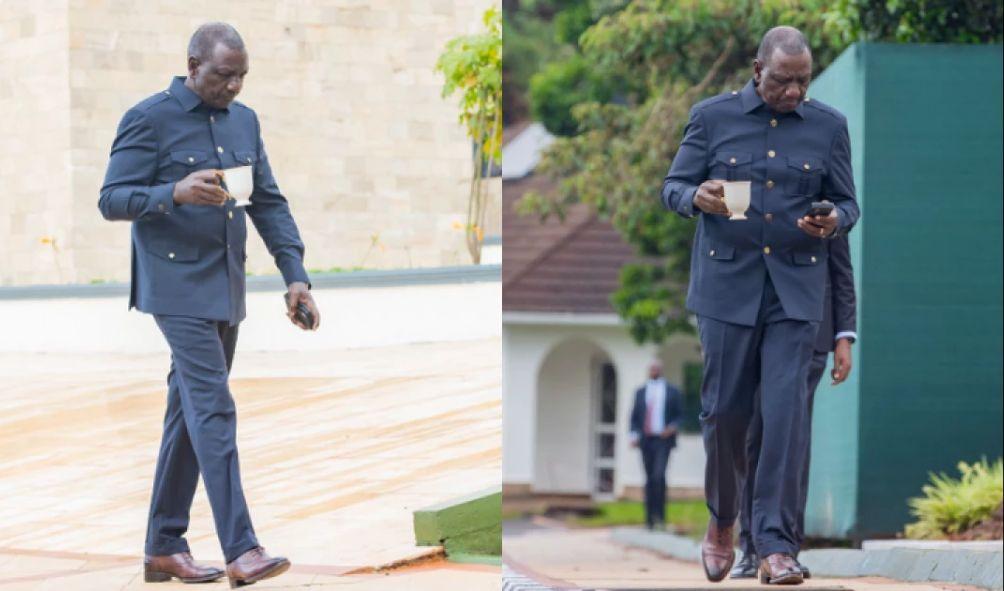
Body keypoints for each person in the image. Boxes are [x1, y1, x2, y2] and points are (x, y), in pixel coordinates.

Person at [98, 22, 320, 587]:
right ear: (193, 64)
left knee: (188, 414)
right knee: (214, 407)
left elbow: (266, 202)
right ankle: (242, 550)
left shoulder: (244, 121)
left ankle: (162, 546)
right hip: (174, 287)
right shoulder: (147, 118)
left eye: (242, 76)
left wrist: (295, 276)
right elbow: (111, 199)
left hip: (226, 285)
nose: (234, 86)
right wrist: (172, 192)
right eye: (224, 75)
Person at [660, 25, 860, 584]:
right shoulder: (712, 117)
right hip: (728, 290)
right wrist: (694, 197)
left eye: (802, 81)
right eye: (782, 81)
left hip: (797, 293)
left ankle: (775, 547)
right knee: (724, 413)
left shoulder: (829, 127)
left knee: (785, 417)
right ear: (757, 70)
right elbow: (673, 186)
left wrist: (835, 218)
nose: (793, 93)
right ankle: (723, 520)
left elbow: (848, 203)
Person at [731, 235, 857, 579]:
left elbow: (841, 267)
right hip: (759, 328)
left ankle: (786, 547)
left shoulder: (826, 198)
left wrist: (844, 335)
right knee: (754, 435)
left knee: (792, 440)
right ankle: (750, 545)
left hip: (812, 333)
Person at [629, 361, 685, 530]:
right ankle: (649, 520)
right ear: (648, 371)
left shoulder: (672, 391)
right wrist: (633, 435)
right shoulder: (640, 392)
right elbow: (634, 417)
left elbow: (681, 415)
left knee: (659, 476)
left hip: (663, 440)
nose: (653, 371)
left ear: (661, 370)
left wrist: (672, 427)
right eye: (651, 369)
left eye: (656, 368)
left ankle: (660, 516)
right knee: (648, 479)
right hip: (645, 440)